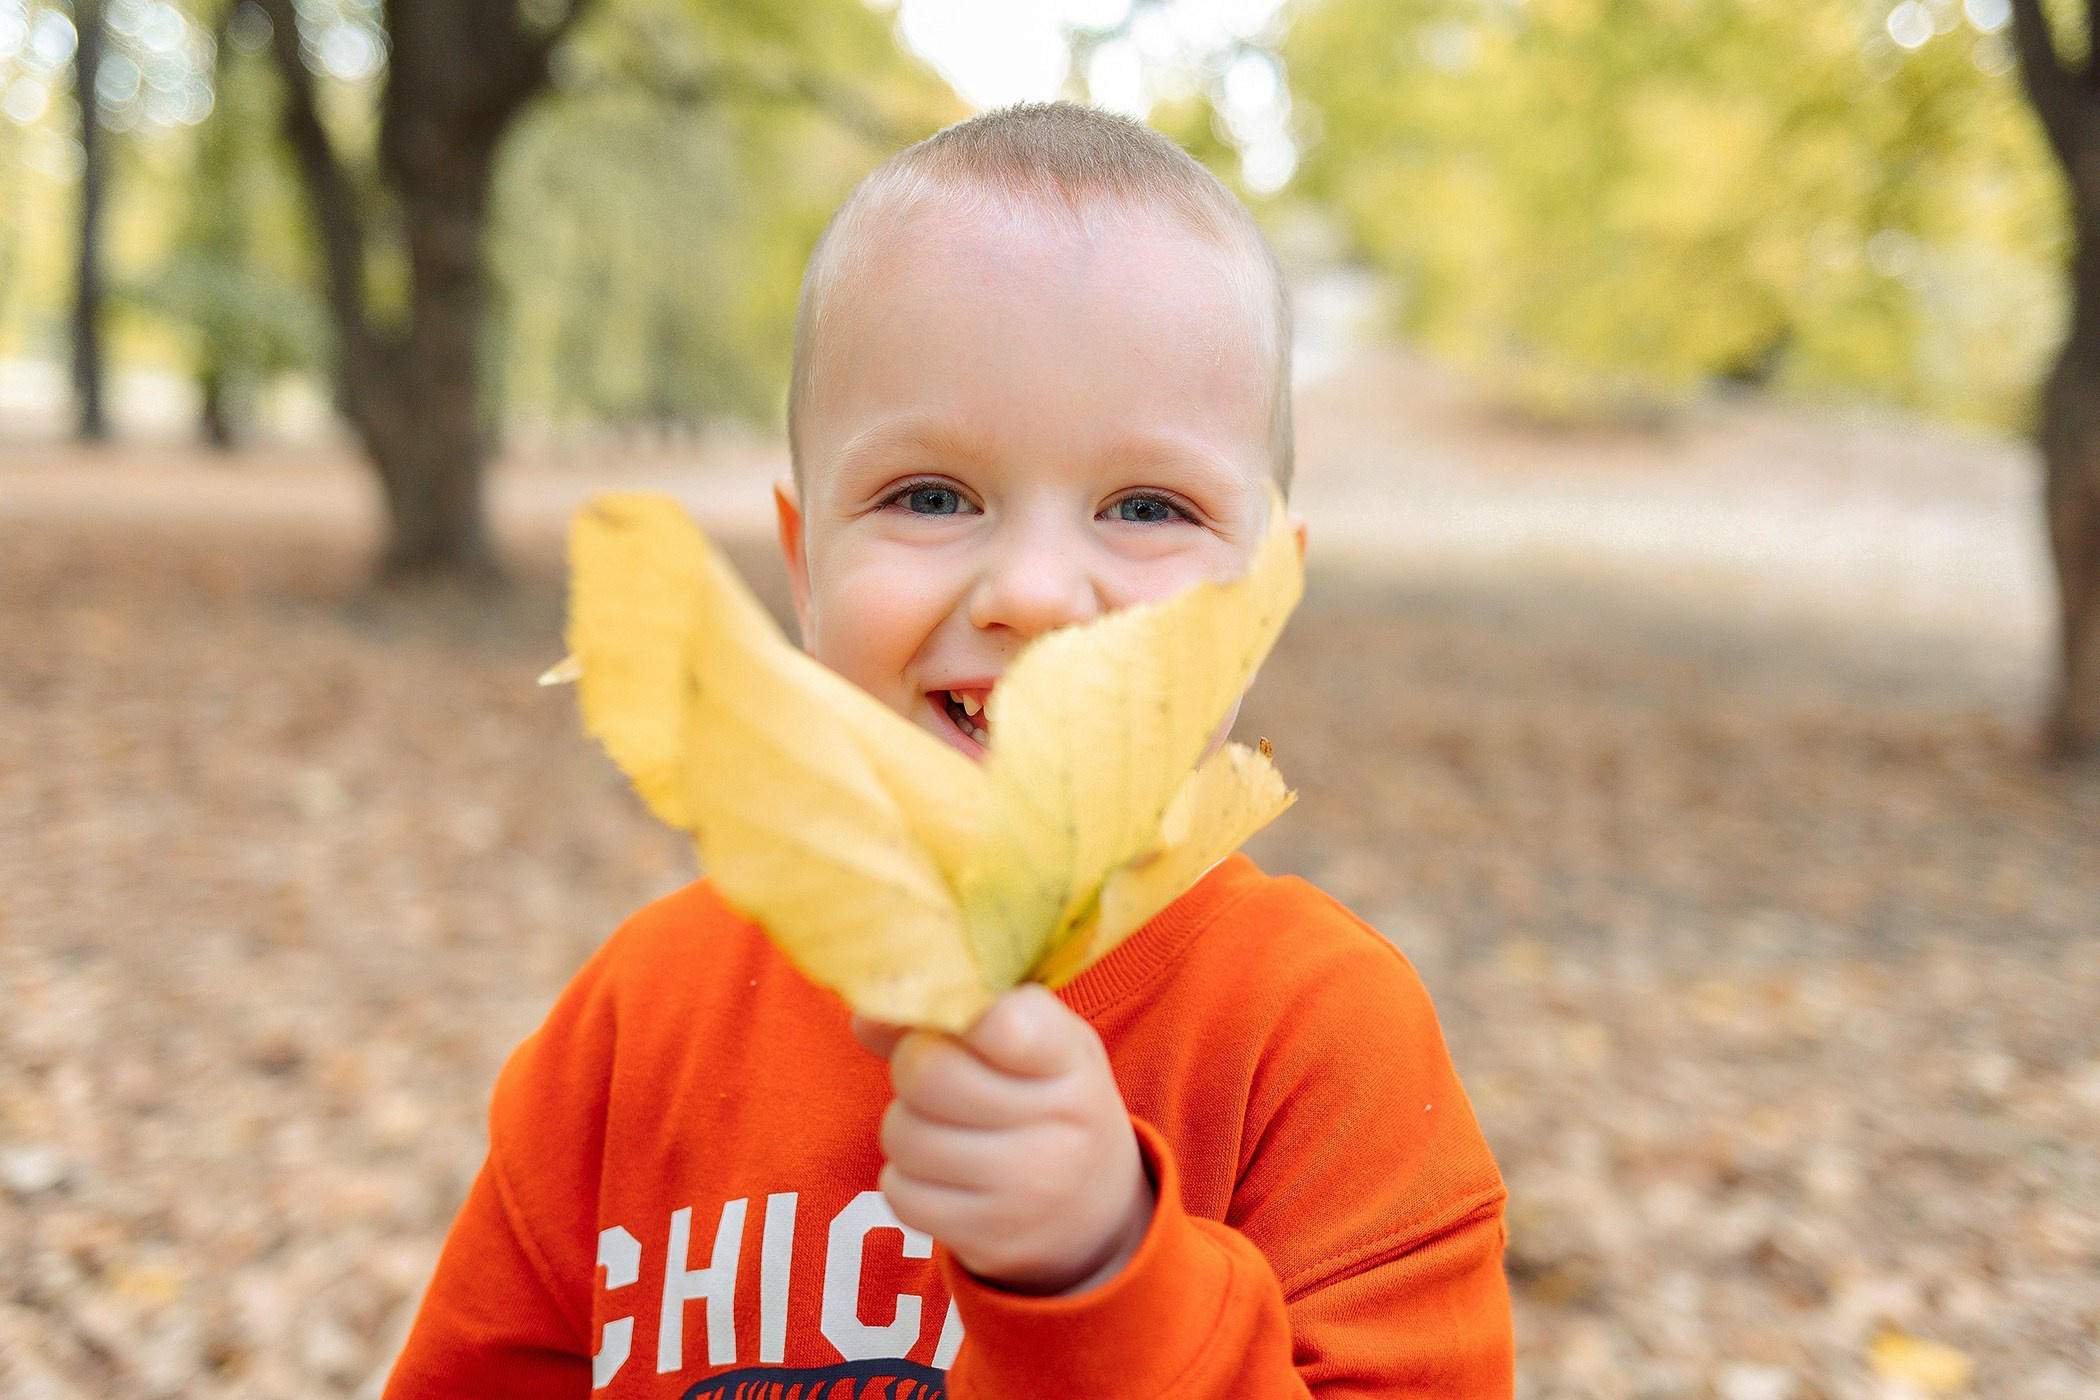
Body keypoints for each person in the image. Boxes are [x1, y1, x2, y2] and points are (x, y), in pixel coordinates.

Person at [384, 102, 1511, 1399]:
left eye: (1147, 507)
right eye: (931, 496)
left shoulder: (1320, 1042)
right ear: (806, 568)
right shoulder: (640, 1024)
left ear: (1264, 600)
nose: (1032, 590)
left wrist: (1103, 1273)